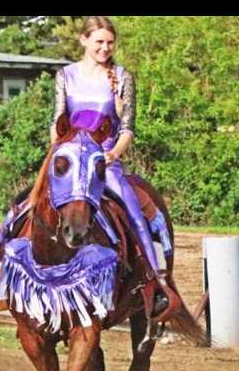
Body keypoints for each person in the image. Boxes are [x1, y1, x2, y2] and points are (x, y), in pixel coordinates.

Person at [51, 16, 181, 321]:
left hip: (104, 162)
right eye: (99, 41)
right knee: (25, 204)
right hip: (69, 161)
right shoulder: (65, 75)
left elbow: (127, 130)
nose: (105, 48)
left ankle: (158, 286)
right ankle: (0, 270)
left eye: (110, 42)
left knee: (137, 213)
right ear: (83, 40)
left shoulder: (123, 77)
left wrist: (111, 155)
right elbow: (57, 121)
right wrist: (59, 153)